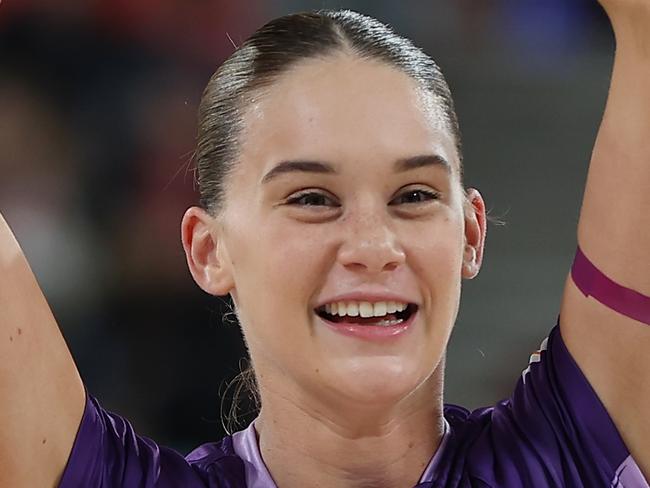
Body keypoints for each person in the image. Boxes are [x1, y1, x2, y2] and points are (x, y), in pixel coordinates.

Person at [1, 3, 648, 487]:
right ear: (208, 249)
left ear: (470, 234)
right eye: (311, 198)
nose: (373, 245)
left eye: (414, 195)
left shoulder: (573, 456)